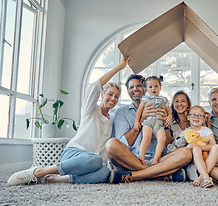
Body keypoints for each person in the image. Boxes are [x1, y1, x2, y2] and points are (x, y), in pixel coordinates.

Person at [7, 56, 130, 186]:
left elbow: (105, 150)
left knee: (105, 172)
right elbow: (94, 87)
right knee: (96, 160)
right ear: (102, 95)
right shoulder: (91, 109)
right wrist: (120, 67)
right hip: (74, 153)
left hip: (92, 164)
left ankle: (52, 179)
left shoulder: (112, 121)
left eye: (116, 96)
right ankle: (39, 172)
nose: (113, 98)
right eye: (110, 94)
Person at [105, 74, 192, 184]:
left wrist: (165, 124)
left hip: (157, 159)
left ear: (144, 89)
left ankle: (136, 175)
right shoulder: (122, 111)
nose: (135, 89)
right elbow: (124, 144)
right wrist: (141, 119)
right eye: (131, 87)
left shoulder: (160, 104)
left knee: (187, 153)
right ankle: (159, 174)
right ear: (128, 92)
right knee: (111, 145)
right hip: (132, 159)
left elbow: (169, 144)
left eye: (138, 86)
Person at [134, 76, 172, 165]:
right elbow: (139, 111)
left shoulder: (164, 99)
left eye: (156, 86)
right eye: (150, 87)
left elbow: (168, 112)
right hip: (148, 123)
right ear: (146, 89)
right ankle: (141, 157)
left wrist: (169, 117)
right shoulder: (145, 99)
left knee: (162, 139)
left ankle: (156, 159)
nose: (153, 89)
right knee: (146, 138)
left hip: (159, 125)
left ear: (160, 87)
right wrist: (136, 121)